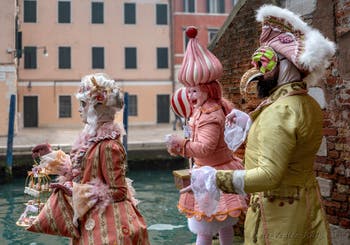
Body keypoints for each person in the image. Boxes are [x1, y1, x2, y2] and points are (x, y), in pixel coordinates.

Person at [184, 5, 336, 245]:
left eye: (263, 63)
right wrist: (250, 123)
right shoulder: (307, 103)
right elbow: (288, 145)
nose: (256, 71)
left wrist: (215, 178)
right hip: (304, 206)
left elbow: (268, 176)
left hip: (277, 217)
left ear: (283, 66)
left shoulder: (280, 111)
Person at [30, 73, 150, 244]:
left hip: (109, 227)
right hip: (91, 218)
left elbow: (119, 191)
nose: (79, 109)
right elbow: (80, 169)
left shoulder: (109, 146)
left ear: (98, 108)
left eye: (83, 104)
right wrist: (50, 154)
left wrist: (77, 191)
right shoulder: (91, 140)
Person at [166, 26, 247, 245]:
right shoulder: (211, 107)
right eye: (189, 90)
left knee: (204, 226)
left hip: (212, 174)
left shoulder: (210, 114)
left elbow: (205, 148)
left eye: (194, 90)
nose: (189, 95)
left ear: (208, 90)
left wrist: (181, 144)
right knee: (224, 225)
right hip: (217, 168)